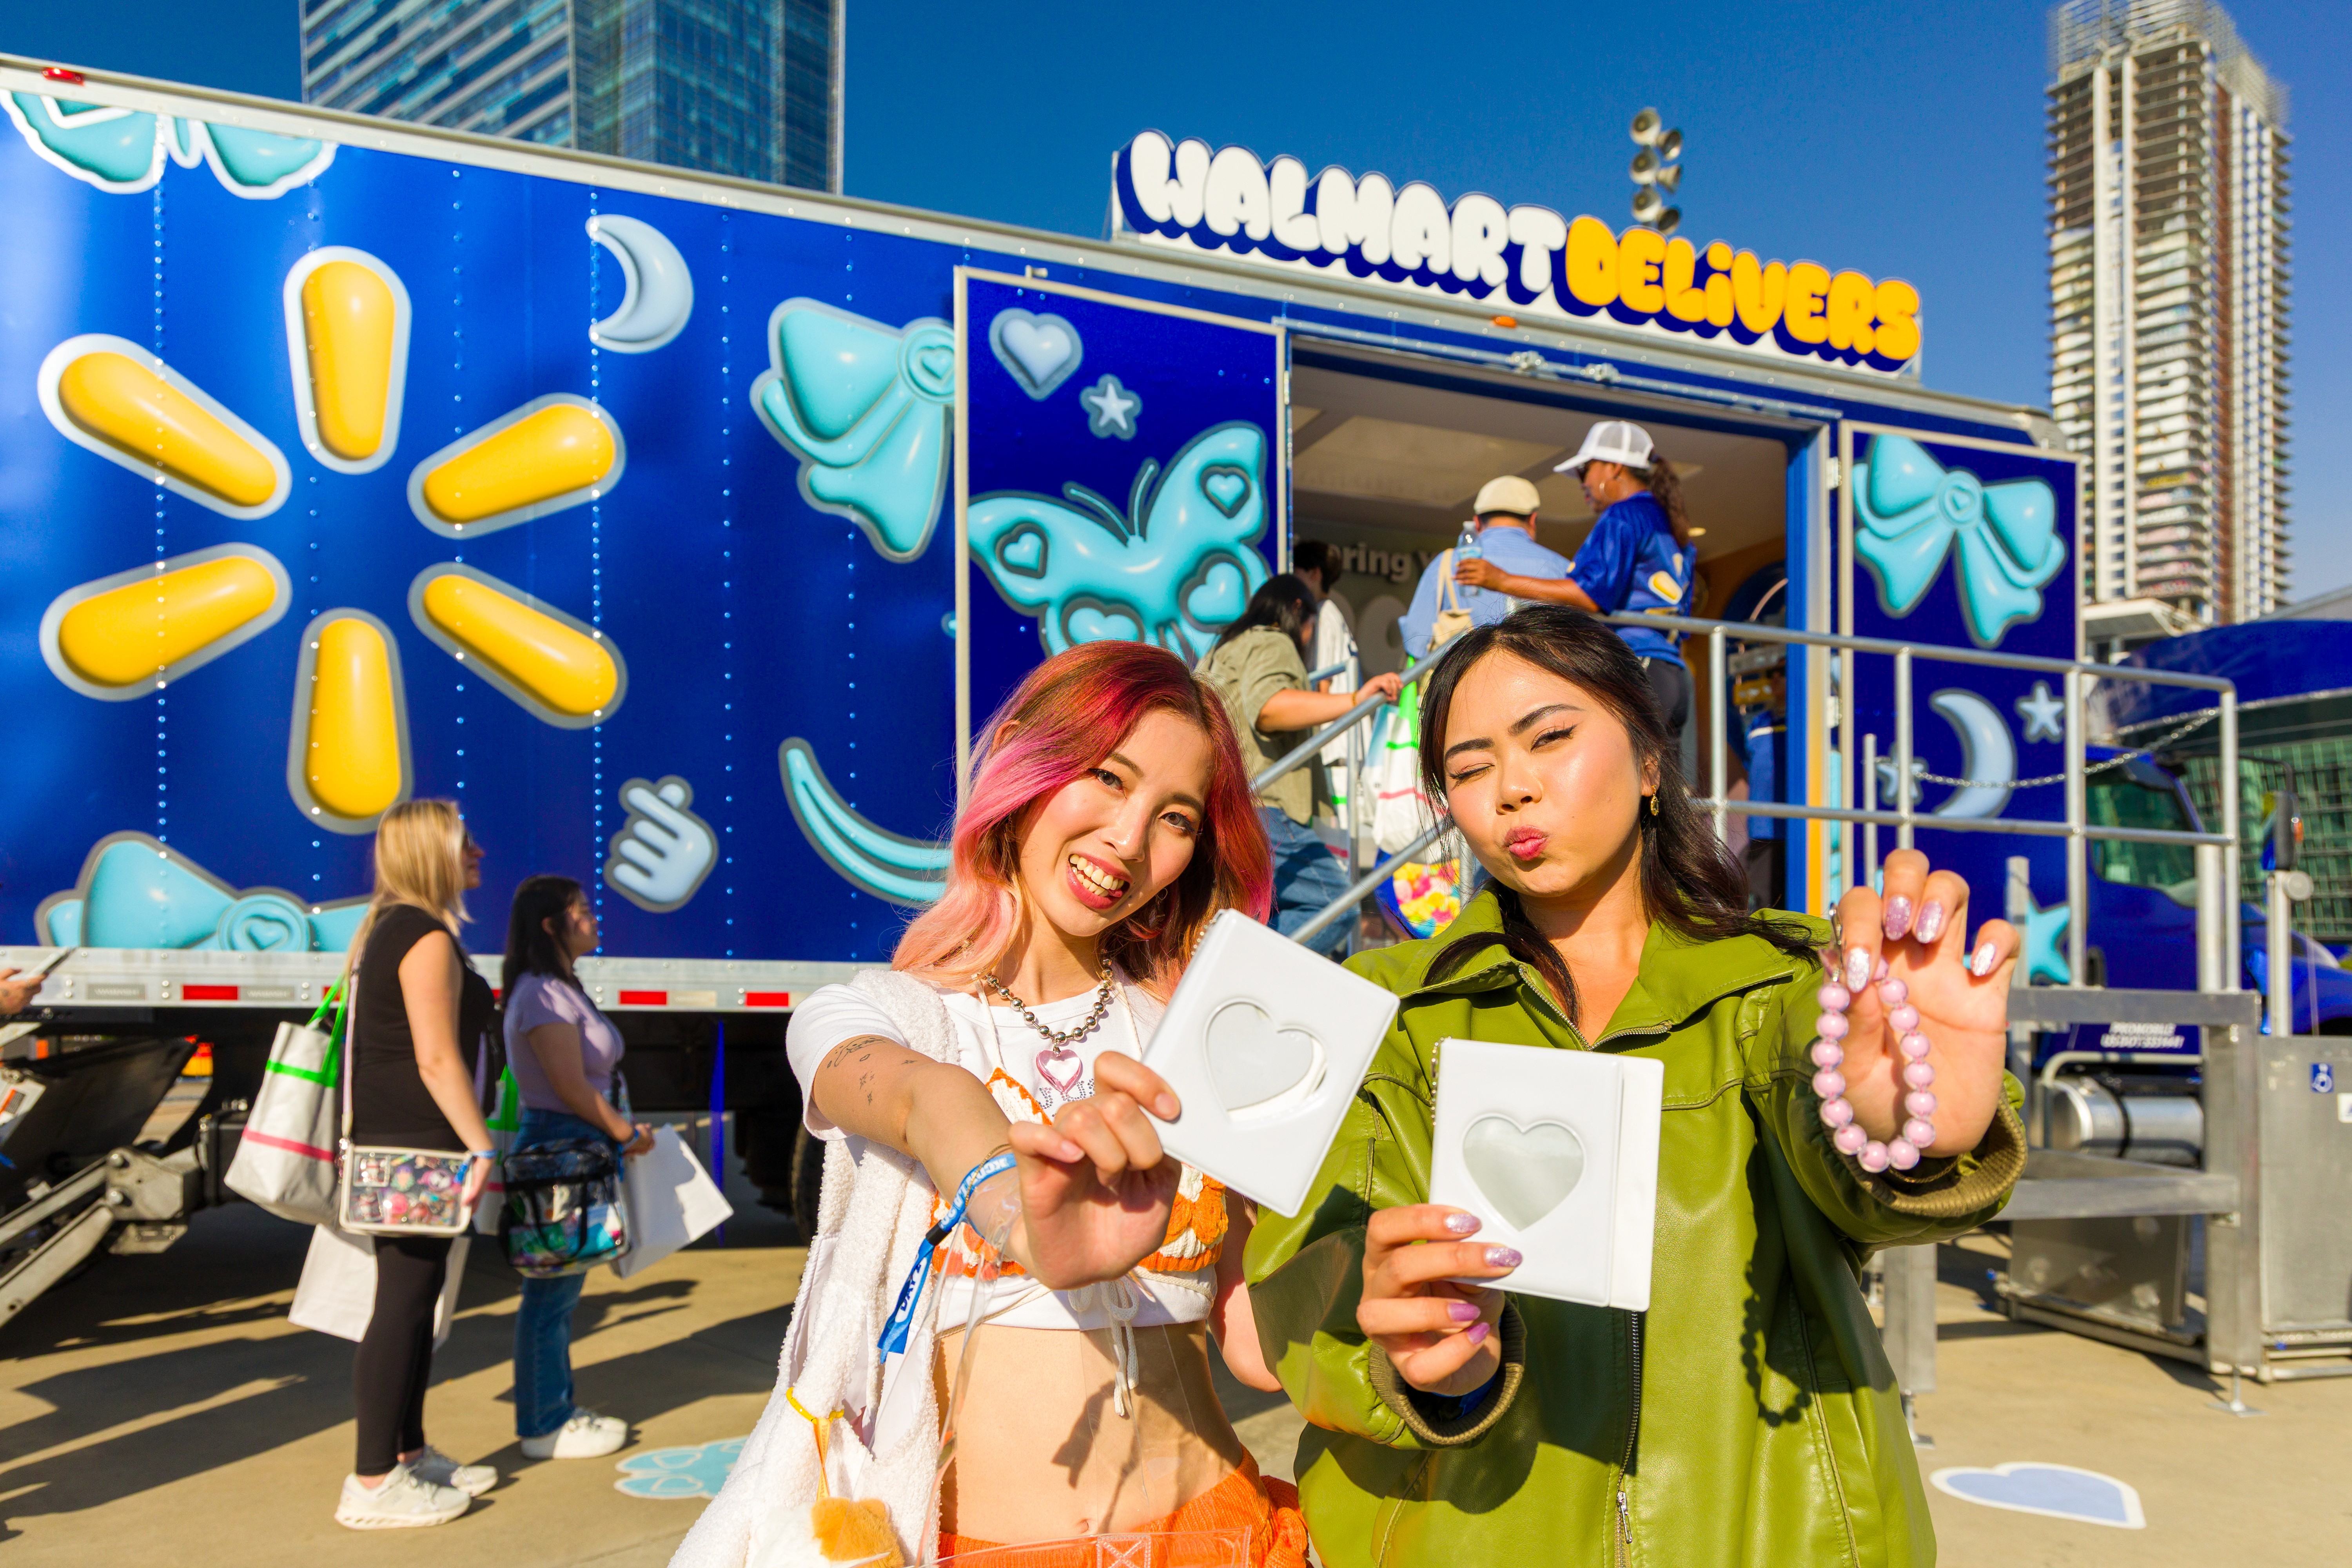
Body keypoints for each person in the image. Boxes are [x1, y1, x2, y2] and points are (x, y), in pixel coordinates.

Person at [1245, 607, 2025, 1565]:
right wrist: (1418, 1359)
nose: (1513, 790)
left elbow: (1849, 1167)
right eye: (1470, 767)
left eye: (1551, 737)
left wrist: (1905, 1127)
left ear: (1651, 762)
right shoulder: (1379, 1014)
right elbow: (1299, 1290)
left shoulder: (1788, 987)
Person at [677, 640, 1306, 1568]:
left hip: (1222, 1533)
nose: (1129, 841)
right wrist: (1019, 1210)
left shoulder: (1194, 1038)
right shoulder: (885, 1017)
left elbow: (1257, 1344)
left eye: (1174, 817)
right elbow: (926, 1098)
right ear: (1028, 760)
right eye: (1107, 778)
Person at [335, 799, 501, 1531]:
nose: (479, 855)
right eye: (466, 843)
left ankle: (406, 1454)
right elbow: (436, 1058)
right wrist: (482, 1144)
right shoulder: (425, 937)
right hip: (419, 1148)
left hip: (401, 1145)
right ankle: (372, 1481)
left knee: (413, 1298)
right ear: (434, 853)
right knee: (403, 1306)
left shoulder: (390, 927)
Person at [501, 874, 653, 1461]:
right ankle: (545, 1423)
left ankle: (553, 1412)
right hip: (563, 1149)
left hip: (575, 1149)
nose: (593, 918)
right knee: (550, 1296)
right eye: (582, 910)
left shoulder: (559, 988)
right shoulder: (542, 993)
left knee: (559, 1294)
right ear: (551, 925)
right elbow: (568, 1085)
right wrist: (623, 1133)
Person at [1455, 421, 1699, 752]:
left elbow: (1590, 595)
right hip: (1673, 673)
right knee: (1661, 796)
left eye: (1586, 470)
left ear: (1613, 468)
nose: (1582, 483)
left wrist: (1501, 580)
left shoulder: (1624, 515)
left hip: (1638, 665)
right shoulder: (1665, 518)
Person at [1198, 576, 1402, 955]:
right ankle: (1238, 969)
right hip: (1267, 803)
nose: (1309, 639)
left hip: (1224, 805)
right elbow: (1270, 706)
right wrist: (1355, 700)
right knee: (1332, 907)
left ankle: (1231, 968)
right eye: (1312, 627)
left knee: (1246, 913)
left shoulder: (1221, 652)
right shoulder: (1273, 640)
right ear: (1297, 611)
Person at [1398, 475, 1570, 659]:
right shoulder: (1563, 569)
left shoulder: (1448, 564)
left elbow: (1416, 642)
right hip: (1542, 682)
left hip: (1467, 682)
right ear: (1533, 520)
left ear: (1477, 523)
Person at [1289, 539, 1360, 828]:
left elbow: (1324, 682)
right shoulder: (1329, 613)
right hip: (1338, 743)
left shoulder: (1325, 615)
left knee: (1336, 834)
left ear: (1314, 574)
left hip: (1334, 743)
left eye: (1298, 572)